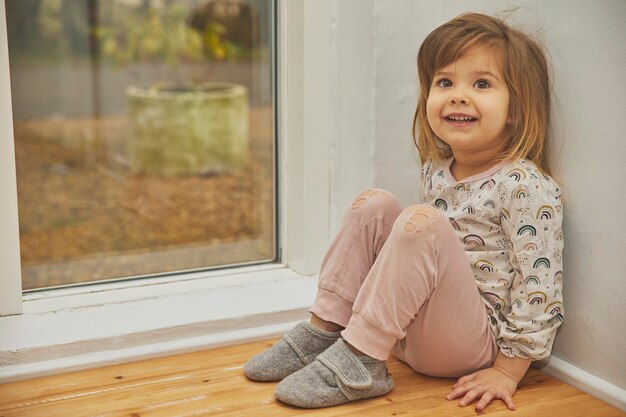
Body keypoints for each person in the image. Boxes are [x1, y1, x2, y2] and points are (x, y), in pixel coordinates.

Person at [244, 12, 564, 412]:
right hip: (410, 334)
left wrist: (507, 371)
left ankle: (360, 360)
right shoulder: (437, 168)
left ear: (516, 108)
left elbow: (540, 288)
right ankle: (324, 331)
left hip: (472, 345)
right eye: (445, 82)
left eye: (481, 83)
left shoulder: (525, 186)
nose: (458, 95)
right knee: (374, 204)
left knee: (422, 222)